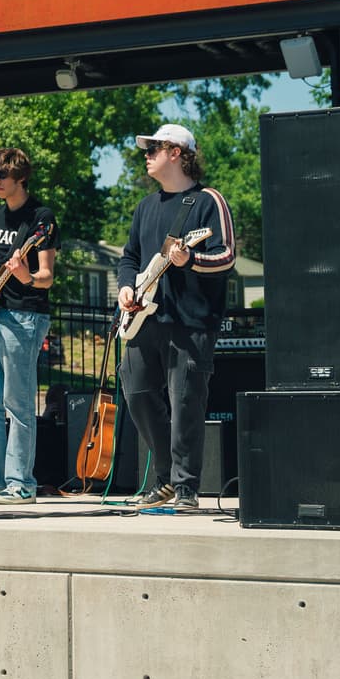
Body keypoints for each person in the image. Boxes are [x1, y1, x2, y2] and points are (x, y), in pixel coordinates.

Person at [118, 123, 236, 512]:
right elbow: (130, 257)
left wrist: (192, 259)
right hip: (144, 319)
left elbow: (226, 255)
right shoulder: (146, 207)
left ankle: (185, 487)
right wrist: (124, 287)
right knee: (135, 392)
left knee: (186, 402)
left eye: (154, 147)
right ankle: (167, 475)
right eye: (147, 148)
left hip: (191, 323)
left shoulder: (207, 201)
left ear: (178, 153)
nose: (147, 154)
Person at [0, 148, 59, 503]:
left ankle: (22, 483)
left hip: (26, 315)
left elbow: (47, 276)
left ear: (20, 178)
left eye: (1, 176)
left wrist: (27, 276)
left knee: (17, 401)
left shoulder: (42, 218)